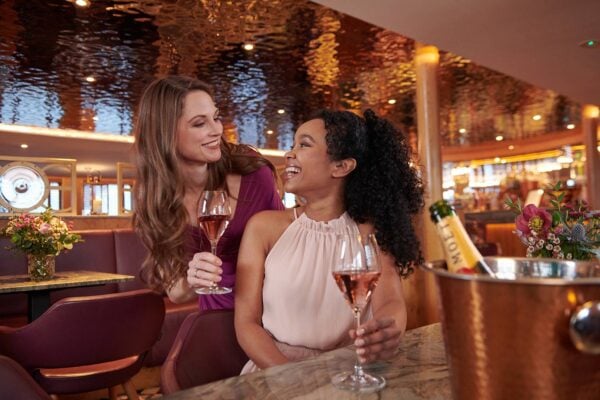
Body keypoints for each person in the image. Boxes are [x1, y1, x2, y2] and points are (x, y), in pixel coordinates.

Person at [235, 109, 424, 373]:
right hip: (275, 369)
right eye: (293, 144)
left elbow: (390, 303)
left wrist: (384, 333)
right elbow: (246, 323)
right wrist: (287, 375)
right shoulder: (263, 227)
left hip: (349, 368)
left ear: (341, 166)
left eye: (304, 144)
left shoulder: (370, 231)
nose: (290, 153)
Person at [132, 76, 283, 310]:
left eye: (216, 118)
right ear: (165, 134)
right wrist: (193, 280)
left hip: (274, 311)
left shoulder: (253, 174)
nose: (217, 130)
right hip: (215, 317)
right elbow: (176, 293)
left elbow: (287, 251)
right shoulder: (153, 199)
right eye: (199, 123)